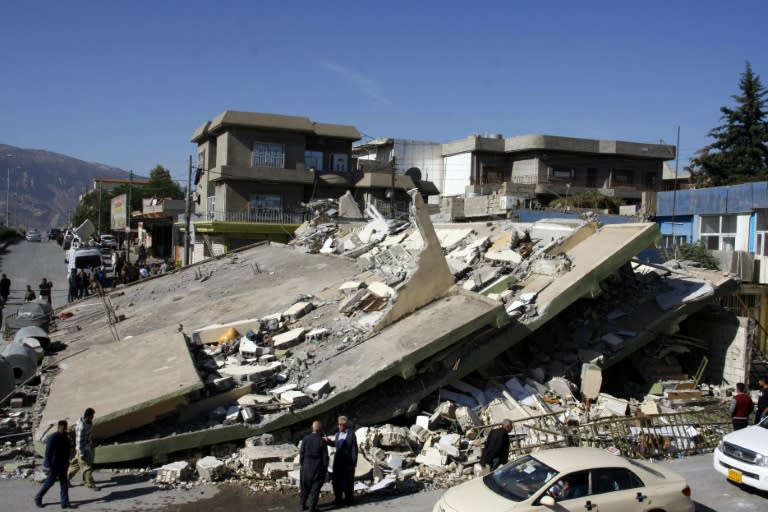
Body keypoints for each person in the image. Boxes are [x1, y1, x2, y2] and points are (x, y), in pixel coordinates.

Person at [35, 420, 72, 508]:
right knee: (49, 483)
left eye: (65, 428)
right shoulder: (53, 437)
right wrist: (47, 465)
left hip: (63, 464)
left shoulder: (66, 437)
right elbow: (48, 452)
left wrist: (68, 462)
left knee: (64, 484)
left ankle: (65, 502)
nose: (64, 430)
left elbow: (67, 451)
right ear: (58, 427)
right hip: (54, 465)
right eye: (63, 428)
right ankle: (38, 497)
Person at [324, 415, 358, 507]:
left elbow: (354, 449)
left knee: (348, 482)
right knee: (336, 482)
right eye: (338, 424)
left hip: (347, 463)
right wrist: (328, 441)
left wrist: (353, 463)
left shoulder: (351, 434)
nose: (339, 426)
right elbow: (336, 444)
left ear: (345, 424)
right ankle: (338, 499)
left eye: (340, 424)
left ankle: (349, 500)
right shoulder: (338, 434)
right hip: (338, 462)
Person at [300, 420, 329, 512]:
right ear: (320, 430)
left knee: (305, 487)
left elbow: (301, 454)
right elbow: (325, 458)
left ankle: (302, 504)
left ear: (312, 428)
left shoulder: (305, 439)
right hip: (317, 467)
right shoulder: (322, 441)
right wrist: (325, 468)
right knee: (315, 489)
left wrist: (303, 465)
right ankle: (312, 507)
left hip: (306, 466)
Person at [68, 407, 99, 490]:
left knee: (75, 465)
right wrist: (82, 454)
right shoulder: (82, 427)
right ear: (88, 416)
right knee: (87, 468)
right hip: (83, 450)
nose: (93, 417)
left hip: (83, 448)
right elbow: (80, 441)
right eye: (92, 415)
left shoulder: (87, 423)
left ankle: (65, 480)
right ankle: (90, 484)